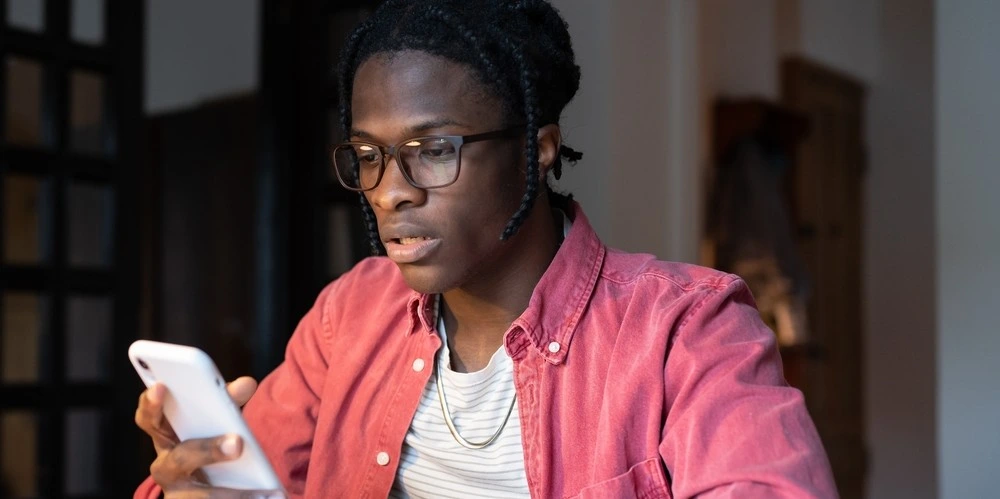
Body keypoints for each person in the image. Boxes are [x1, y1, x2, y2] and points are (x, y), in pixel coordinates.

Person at [134, 1, 837, 497]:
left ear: (538, 148)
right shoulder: (349, 315)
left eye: (433, 150)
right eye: (369, 156)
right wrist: (201, 487)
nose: (390, 192)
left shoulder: (687, 331)